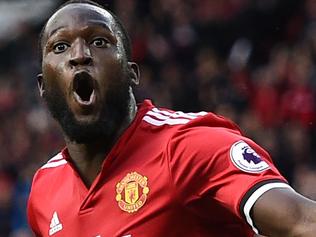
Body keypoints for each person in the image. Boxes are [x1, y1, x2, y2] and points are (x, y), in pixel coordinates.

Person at [27, 0, 316, 236]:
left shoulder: (189, 146)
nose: (80, 55)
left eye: (100, 41)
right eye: (60, 46)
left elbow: (300, 221)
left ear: (132, 74)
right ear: (42, 86)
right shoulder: (44, 192)